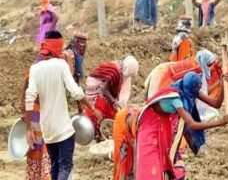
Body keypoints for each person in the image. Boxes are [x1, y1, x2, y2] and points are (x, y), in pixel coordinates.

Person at [113, 72, 228, 180]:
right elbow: (192, 124)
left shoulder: (190, 91)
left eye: (199, 89)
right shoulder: (175, 98)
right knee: (150, 165)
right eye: (197, 89)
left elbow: (216, 103)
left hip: (165, 127)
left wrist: (223, 85)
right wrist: (220, 123)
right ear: (190, 87)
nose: (198, 92)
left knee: (171, 163)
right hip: (151, 127)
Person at [25, 31, 101, 180]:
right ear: (58, 48)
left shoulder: (35, 69)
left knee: (55, 167)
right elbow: (76, 93)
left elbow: (29, 97)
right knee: (65, 166)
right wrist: (92, 108)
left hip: (47, 130)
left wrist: (29, 129)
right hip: (63, 129)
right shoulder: (61, 65)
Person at [19, 32, 65, 180]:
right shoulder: (58, 68)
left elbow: (24, 95)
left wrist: (26, 119)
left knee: (38, 159)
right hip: (46, 122)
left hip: (36, 120)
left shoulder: (34, 69)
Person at [145, 49, 220, 120]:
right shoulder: (197, 72)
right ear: (204, 63)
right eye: (209, 65)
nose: (210, 68)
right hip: (167, 87)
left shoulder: (195, 62)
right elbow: (200, 94)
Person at [84, 56, 139, 140]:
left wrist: (114, 101)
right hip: (96, 86)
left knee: (109, 105)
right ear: (129, 69)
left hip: (101, 86)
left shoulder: (120, 68)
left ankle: (100, 129)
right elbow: (104, 89)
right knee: (102, 106)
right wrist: (113, 102)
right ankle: (97, 130)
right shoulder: (116, 71)